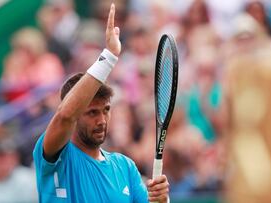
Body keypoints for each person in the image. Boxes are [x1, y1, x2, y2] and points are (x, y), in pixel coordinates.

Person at [33, 3, 170, 203]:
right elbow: (65, 116)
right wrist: (109, 57)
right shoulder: (56, 155)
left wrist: (162, 201)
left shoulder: (125, 166)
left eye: (106, 110)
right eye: (91, 112)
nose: (101, 119)